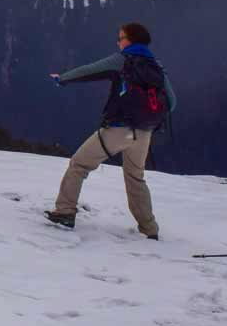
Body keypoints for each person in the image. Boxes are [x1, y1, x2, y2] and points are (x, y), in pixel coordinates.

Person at [44, 22, 175, 239]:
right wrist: (148, 119)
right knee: (135, 177)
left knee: (79, 164)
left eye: (121, 38)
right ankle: (149, 229)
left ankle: (65, 212)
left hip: (119, 129)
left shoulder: (122, 60)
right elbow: (172, 101)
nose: (118, 41)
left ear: (130, 41)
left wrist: (63, 79)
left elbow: (90, 70)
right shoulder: (156, 66)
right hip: (144, 133)